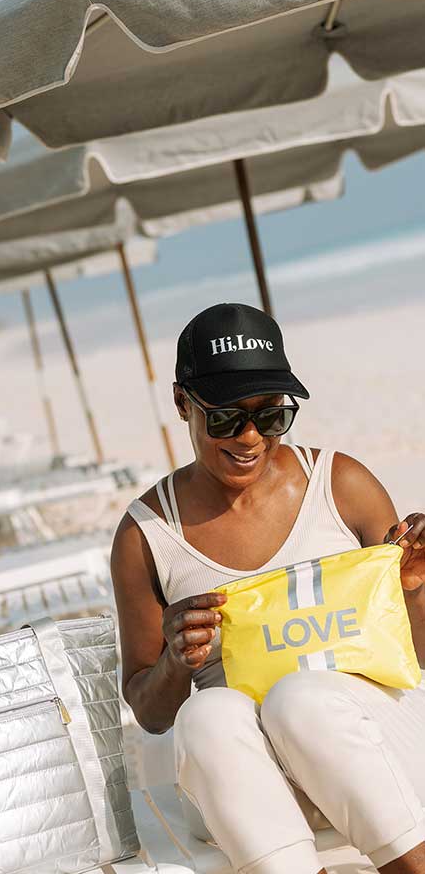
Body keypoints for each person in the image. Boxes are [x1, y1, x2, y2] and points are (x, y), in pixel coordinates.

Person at [111, 303, 425, 874]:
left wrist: (415, 590)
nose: (251, 437)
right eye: (226, 418)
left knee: (301, 699)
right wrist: (176, 662)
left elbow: (417, 655)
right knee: (207, 714)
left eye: (272, 414)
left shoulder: (341, 486)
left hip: (376, 757)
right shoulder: (147, 536)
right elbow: (151, 715)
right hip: (249, 794)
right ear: (182, 403)